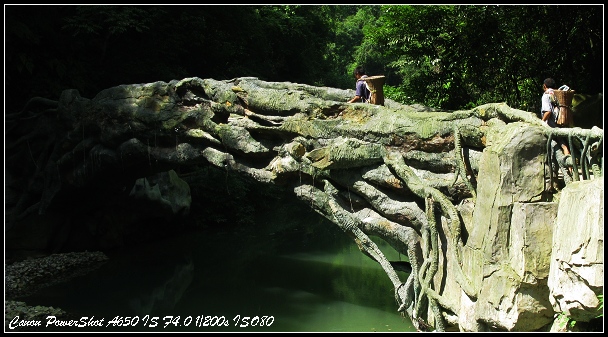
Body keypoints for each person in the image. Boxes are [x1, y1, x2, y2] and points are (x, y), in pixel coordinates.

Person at [540, 77, 570, 156]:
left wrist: (541, 122)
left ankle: (567, 165)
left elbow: (548, 112)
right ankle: (570, 166)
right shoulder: (558, 94)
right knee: (564, 146)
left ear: (544, 86)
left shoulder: (546, 95)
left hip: (552, 125)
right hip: (561, 121)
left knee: (560, 145)